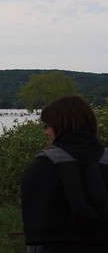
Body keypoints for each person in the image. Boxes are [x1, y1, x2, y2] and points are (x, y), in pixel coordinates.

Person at [21, 95, 108, 252]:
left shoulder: (43, 166)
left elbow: (37, 229)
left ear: (61, 126)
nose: (45, 132)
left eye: (47, 125)